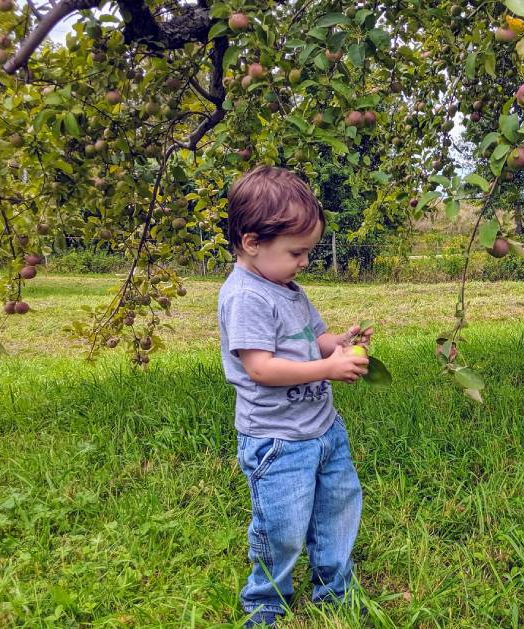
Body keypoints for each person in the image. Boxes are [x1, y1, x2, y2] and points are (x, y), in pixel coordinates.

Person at [217, 165, 371, 627]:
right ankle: (265, 602)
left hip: (323, 428)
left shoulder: (288, 288)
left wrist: (339, 344)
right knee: (281, 527)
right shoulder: (246, 297)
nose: (305, 261)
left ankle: (334, 588)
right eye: (296, 252)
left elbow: (312, 339)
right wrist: (327, 369)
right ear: (252, 243)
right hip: (278, 439)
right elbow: (261, 368)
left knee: (338, 508)